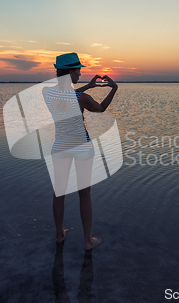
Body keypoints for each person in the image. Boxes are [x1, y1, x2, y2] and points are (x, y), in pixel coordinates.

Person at [42, 52, 118, 251]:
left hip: (60, 147)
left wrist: (89, 87)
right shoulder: (82, 98)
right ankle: (87, 241)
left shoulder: (47, 93)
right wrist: (114, 88)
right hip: (82, 148)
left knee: (59, 193)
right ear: (70, 72)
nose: (80, 74)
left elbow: (66, 97)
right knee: (84, 194)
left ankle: (60, 235)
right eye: (78, 70)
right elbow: (100, 108)